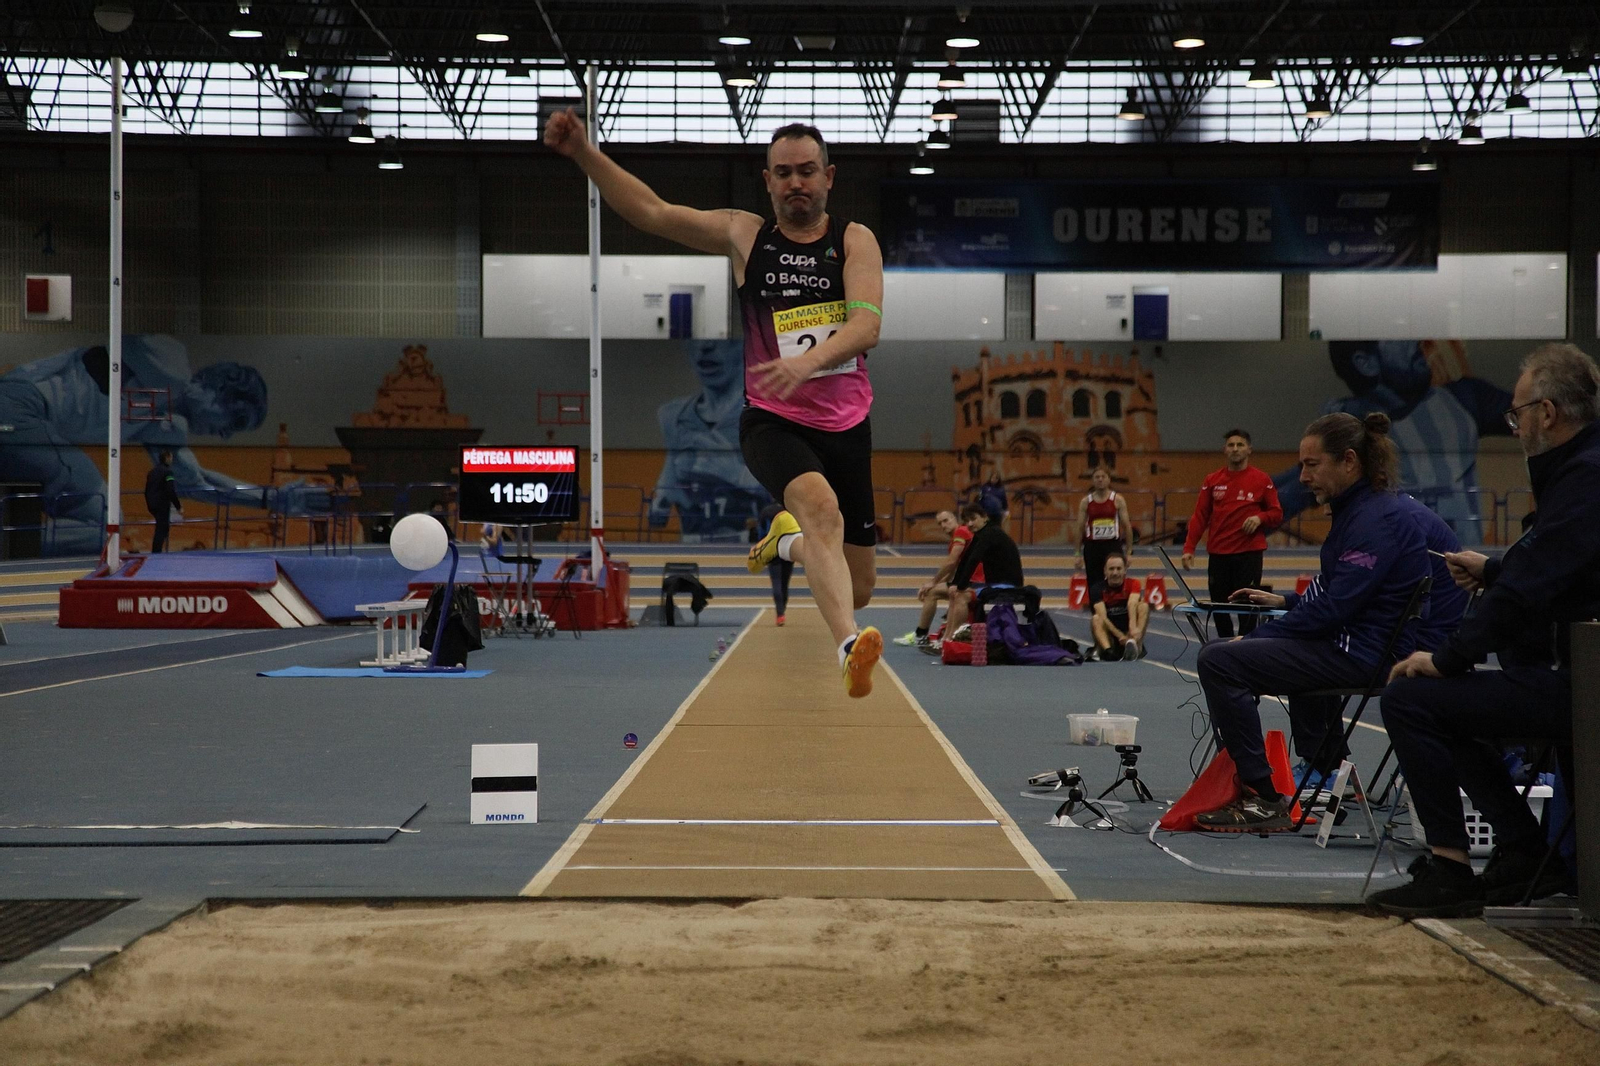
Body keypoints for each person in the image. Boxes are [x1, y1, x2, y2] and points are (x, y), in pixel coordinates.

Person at [545, 112, 885, 697]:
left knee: (858, 585)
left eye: (807, 171)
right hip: (773, 420)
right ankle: (850, 647)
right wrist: (584, 153)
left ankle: (788, 543)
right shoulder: (745, 236)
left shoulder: (853, 240)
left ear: (830, 177)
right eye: (784, 173)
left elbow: (866, 326)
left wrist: (805, 362)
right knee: (820, 508)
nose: (796, 182)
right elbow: (651, 212)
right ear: (768, 181)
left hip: (847, 423)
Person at [1370, 343, 1600, 918]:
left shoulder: (1583, 478)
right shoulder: (1581, 469)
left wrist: (1447, 658)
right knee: (1453, 707)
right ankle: (1523, 850)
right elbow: (1564, 571)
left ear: (1547, 413)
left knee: (1412, 699)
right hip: (1579, 671)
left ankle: (1453, 868)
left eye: (1517, 413)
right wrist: (1493, 569)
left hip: (1590, 686)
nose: (1515, 425)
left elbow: (1528, 592)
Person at [1190, 412, 1429, 832]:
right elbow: (1334, 594)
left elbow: (1333, 610)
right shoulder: (1358, 512)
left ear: (1349, 461)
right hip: (1350, 643)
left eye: (1312, 465)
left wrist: (1255, 636)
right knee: (1228, 653)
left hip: (1367, 654)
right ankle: (1322, 768)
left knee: (1219, 661)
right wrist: (1284, 601)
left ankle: (1263, 798)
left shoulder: (1376, 520)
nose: (1302, 477)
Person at [650, 339, 772, 541]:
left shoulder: (765, 411)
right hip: (692, 540)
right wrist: (662, 500)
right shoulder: (672, 415)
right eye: (695, 338)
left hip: (749, 542)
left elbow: (789, 490)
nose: (705, 347)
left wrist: (736, 474)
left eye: (722, 338)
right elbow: (668, 478)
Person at [1181, 428, 1282, 638]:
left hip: (1249, 554)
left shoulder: (1262, 480)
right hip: (1219, 554)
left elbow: (1276, 513)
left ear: (1249, 450)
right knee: (1219, 606)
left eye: (1240, 445)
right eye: (1231, 445)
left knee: (1248, 606)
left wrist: (1259, 518)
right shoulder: (1212, 480)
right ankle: (1224, 644)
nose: (1235, 449)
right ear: (1224, 450)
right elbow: (1200, 515)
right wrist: (1189, 548)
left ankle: (1246, 644)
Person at [894, 509, 982, 646]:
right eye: (940, 523)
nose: (943, 525)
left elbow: (951, 562)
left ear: (954, 518)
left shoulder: (961, 532)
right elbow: (953, 569)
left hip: (975, 583)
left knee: (931, 592)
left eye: (946, 520)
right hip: (968, 581)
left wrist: (932, 583)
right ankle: (928, 635)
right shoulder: (957, 537)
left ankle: (921, 635)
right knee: (934, 590)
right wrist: (936, 583)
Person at [946, 503, 1024, 637]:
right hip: (994, 584)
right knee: (955, 593)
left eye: (973, 519)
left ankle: (953, 639)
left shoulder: (990, 533)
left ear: (984, 517)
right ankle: (946, 639)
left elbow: (973, 560)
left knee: (961, 596)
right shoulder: (982, 534)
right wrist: (955, 583)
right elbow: (966, 559)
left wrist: (961, 587)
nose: (969, 524)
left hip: (1007, 587)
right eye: (966, 521)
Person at [1074, 467, 1131, 605]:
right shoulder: (1086, 502)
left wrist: (1129, 552)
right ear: (1093, 481)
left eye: (1103, 476)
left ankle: (1118, 607)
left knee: (1116, 577)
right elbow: (1079, 527)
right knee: (1094, 582)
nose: (1100, 479)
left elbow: (1127, 526)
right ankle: (1097, 613)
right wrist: (1077, 553)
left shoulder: (1117, 500)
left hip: (1112, 545)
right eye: (1097, 477)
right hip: (1093, 547)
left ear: (1108, 479)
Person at [1089, 552, 1148, 662]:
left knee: (1143, 606)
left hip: (1129, 632)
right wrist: (1120, 636)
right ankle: (1108, 651)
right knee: (1096, 619)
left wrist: (1132, 629)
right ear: (1105, 571)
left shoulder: (1133, 583)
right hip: (1111, 634)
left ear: (1125, 570)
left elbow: (1132, 604)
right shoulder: (1097, 589)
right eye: (1111, 569)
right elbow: (1103, 617)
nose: (1115, 573)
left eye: (1118, 569)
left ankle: (1135, 645)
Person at [754, 501, 794, 626]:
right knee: (785, 583)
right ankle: (782, 611)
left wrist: (762, 547)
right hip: (787, 548)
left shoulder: (766, 511)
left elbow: (761, 532)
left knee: (776, 581)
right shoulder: (790, 511)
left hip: (772, 549)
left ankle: (780, 613)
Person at [143, 449, 182, 553]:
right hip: (162, 504)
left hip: (152, 504)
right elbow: (170, 490)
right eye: (171, 458)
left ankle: (157, 550)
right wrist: (178, 506)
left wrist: (149, 503)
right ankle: (156, 552)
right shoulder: (168, 472)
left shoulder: (152, 472)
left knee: (161, 527)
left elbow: (147, 490)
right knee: (162, 528)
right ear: (167, 458)